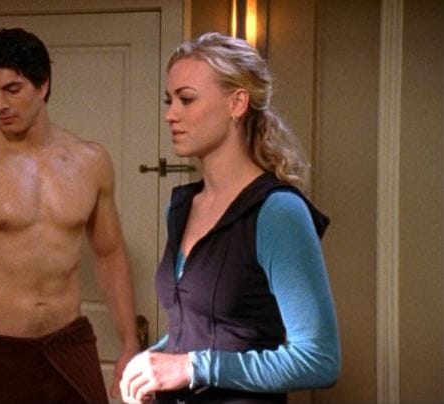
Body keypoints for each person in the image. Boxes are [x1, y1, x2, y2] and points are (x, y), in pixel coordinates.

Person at [119, 32, 341, 403]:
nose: (170, 114)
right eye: (169, 100)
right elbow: (200, 326)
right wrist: (153, 362)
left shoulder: (277, 211)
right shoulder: (182, 207)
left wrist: (192, 367)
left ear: (236, 103)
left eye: (187, 99)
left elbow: (319, 359)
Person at [0, 27, 140, 404]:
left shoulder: (90, 161)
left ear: (43, 85)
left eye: (12, 89)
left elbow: (109, 255)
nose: (1, 105)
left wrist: (129, 343)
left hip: (69, 344)